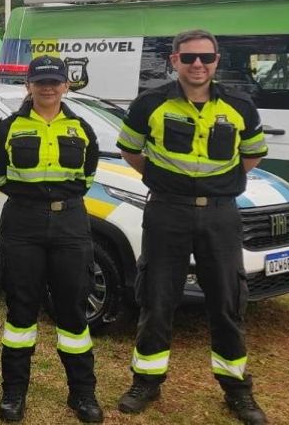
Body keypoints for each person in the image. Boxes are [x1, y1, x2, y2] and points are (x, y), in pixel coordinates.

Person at [114, 30, 270, 425]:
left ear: (217, 59)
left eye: (205, 57)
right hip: (167, 211)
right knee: (157, 297)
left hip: (220, 214)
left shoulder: (240, 105)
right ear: (174, 60)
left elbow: (251, 155)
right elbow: (130, 149)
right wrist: (164, 180)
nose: (197, 64)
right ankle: (146, 382)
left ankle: (237, 390)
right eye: (188, 58)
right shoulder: (150, 103)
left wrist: (218, 186)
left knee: (227, 300)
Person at [0, 56, 104, 423]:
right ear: (29, 85)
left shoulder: (82, 128)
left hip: (70, 223)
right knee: (21, 310)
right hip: (23, 223)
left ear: (66, 85)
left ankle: (82, 393)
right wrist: (32, 198)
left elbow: (86, 177)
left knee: (72, 309)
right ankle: (14, 393)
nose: (48, 87)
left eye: (54, 81)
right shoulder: (7, 128)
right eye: (41, 81)